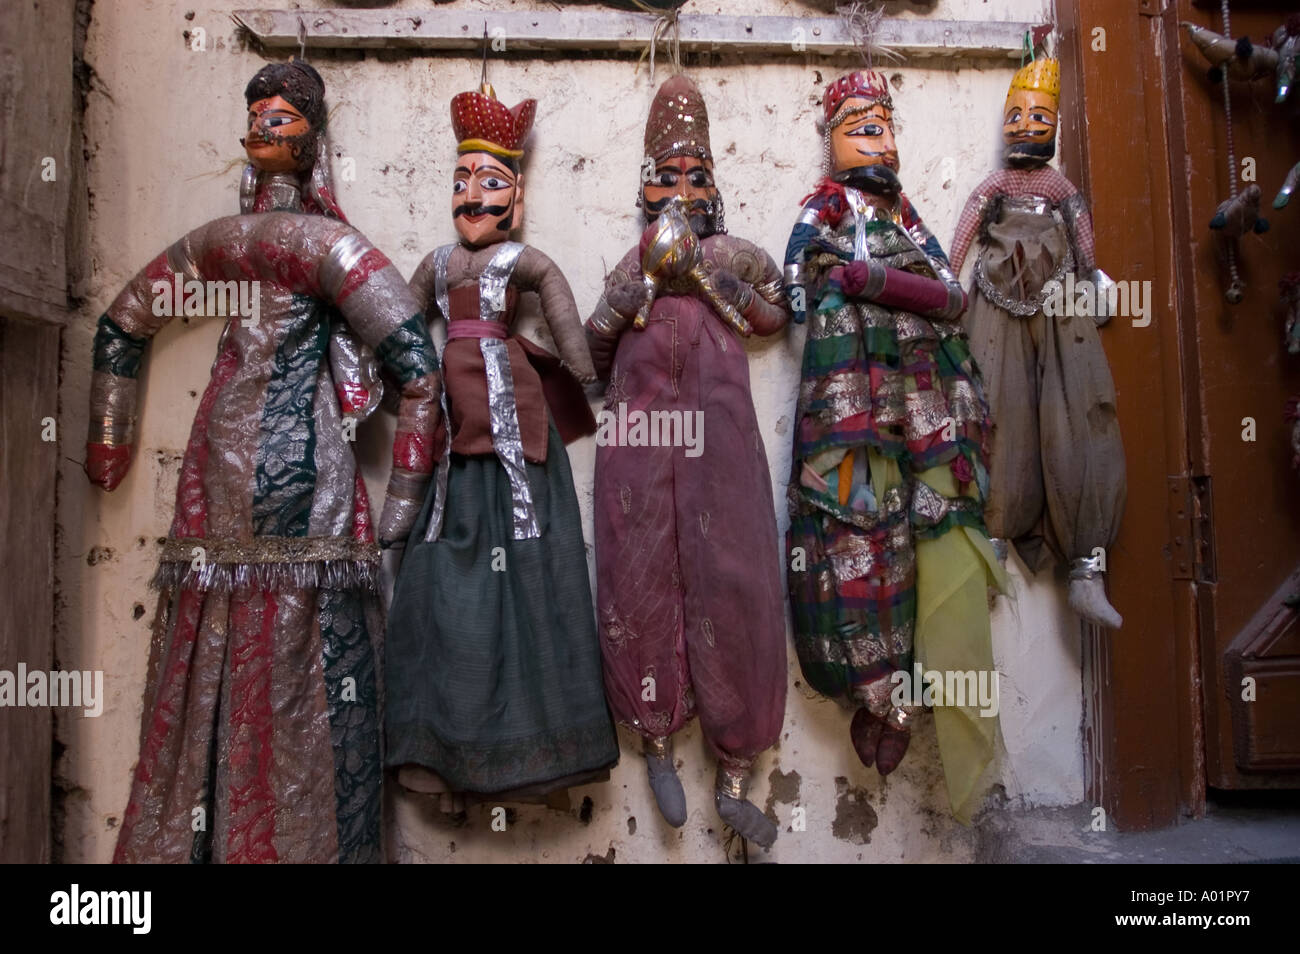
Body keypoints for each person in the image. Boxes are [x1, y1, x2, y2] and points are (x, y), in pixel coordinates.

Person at [89, 61, 443, 863]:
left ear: (312, 138)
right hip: (241, 490)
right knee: (261, 671)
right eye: (256, 117)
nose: (262, 132)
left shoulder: (302, 246)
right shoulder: (268, 245)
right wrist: (106, 438)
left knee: (280, 668)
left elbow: (419, 373)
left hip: (280, 493)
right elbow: (121, 323)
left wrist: (399, 513)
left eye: (280, 119)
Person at [383, 79, 619, 807]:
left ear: (516, 200)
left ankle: (541, 754)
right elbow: (394, 318)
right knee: (445, 585)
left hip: (519, 446)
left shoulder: (524, 263)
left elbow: (560, 308)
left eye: (490, 183)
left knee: (534, 571)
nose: (472, 197)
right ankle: (449, 753)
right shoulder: (437, 264)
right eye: (462, 181)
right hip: (454, 445)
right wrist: (362, 376)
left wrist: (583, 371)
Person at [783, 69, 1001, 823]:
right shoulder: (826, 205)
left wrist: (878, 277)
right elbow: (797, 283)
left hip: (922, 401)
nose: (880, 138)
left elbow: (950, 289)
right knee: (853, 532)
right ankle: (869, 686)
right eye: (861, 126)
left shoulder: (905, 214)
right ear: (833, 139)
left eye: (885, 125)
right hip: (849, 402)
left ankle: (909, 692)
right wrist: (854, 276)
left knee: (925, 531)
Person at [585, 75, 790, 847]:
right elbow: (595, 349)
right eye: (663, 177)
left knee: (734, 579)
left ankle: (737, 772)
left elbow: (773, 316)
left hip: (721, 444)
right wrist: (638, 285)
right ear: (643, 189)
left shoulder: (731, 255)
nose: (678, 189)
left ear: (715, 186)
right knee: (638, 577)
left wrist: (701, 272)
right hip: (638, 448)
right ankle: (657, 736)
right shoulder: (631, 265)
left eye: (693, 176)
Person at [948, 57, 1126, 630]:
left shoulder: (1059, 187)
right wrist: (948, 276)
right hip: (995, 300)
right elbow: (971, 221)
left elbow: (1080, 227)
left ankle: (1086, 567)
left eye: (1040, 115)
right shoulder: (996, 187)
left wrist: (1094, 275)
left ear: (1056, 125)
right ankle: (991, 552)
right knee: (994, 413)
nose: (1027, 124)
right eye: (1016, 115)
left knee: (1075, 413)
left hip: (1060, 302)